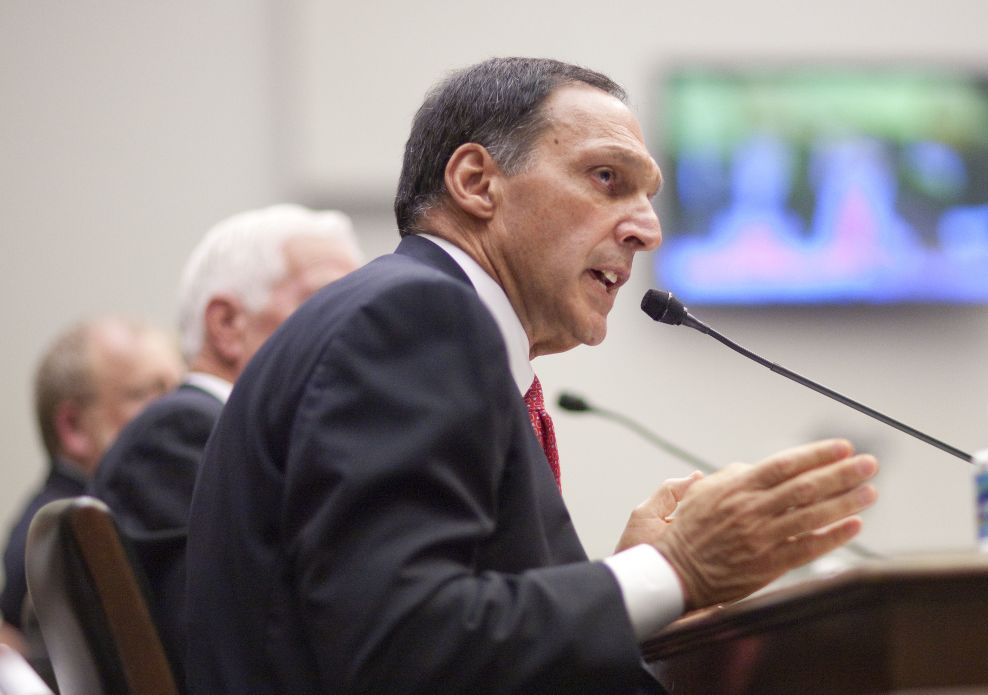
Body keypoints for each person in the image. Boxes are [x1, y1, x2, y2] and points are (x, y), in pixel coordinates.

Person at [186, 57, 879, 694]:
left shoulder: (417, 317)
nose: (647, 228)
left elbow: (455, 626)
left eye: (648, 195)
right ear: (476, 183)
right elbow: (400, 646)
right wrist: (675, 567)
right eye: (608, 178)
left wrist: (618, 574)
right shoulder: (414, 317)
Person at [87, 204, 363, 686]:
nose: (360, 331)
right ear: (228, 325)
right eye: (324, 304)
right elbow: (236, 649)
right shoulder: (181, 435)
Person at [1, 317, 182, 635]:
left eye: (179, 391)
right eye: (150, 396)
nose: (179, 413)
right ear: (74, 428)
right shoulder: (65, 538)